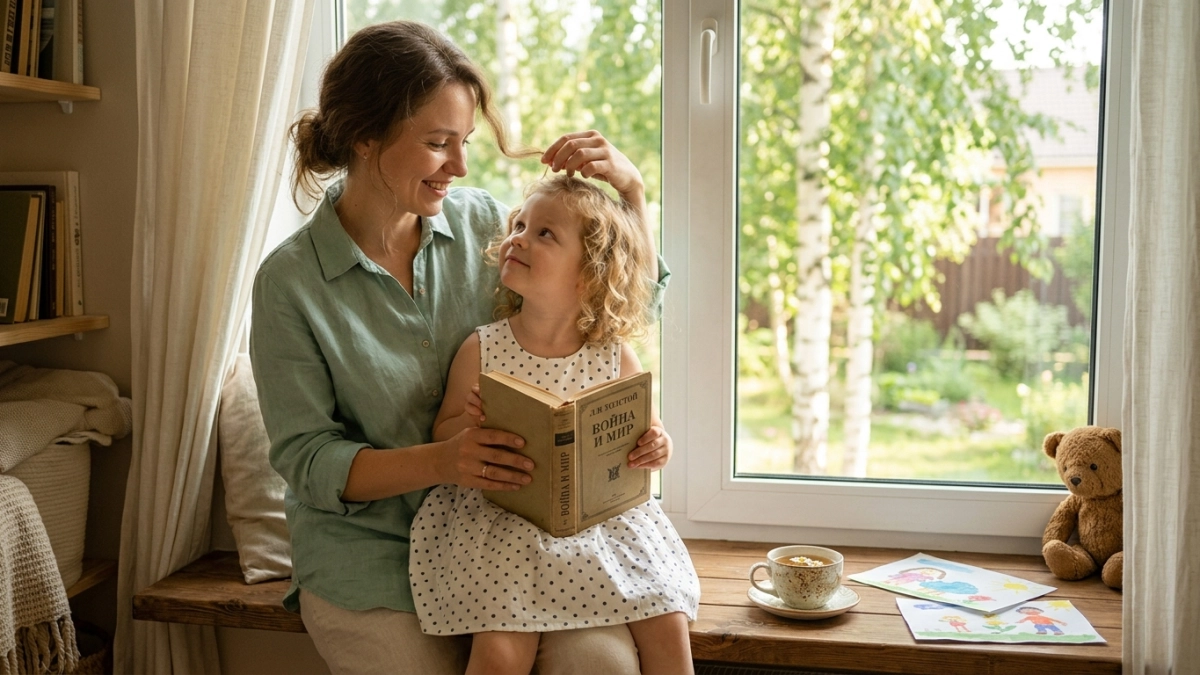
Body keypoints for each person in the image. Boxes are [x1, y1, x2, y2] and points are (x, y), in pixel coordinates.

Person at [249, 20, 669, 675]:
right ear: (366, 137)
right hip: (371, 559)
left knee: (605, 667)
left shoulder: (483, 225)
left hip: (523, 538)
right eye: (439, 143)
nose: (463, 166)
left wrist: (632, 193)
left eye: (465, 141)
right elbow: (309, 460)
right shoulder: (290, 284)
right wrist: (444, 460)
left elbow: (603, 311)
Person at [409, 175, 700, 675]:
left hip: (603, 522)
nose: (518, 237)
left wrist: (658, 446)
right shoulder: (483, 347)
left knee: (668, 624)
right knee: (500, 654)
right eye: (520, 225)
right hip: (505, 520)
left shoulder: (614, 356)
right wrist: (468, 426)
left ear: (589, 273)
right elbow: (443, 432)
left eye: (545, 233)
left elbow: (647, 437)